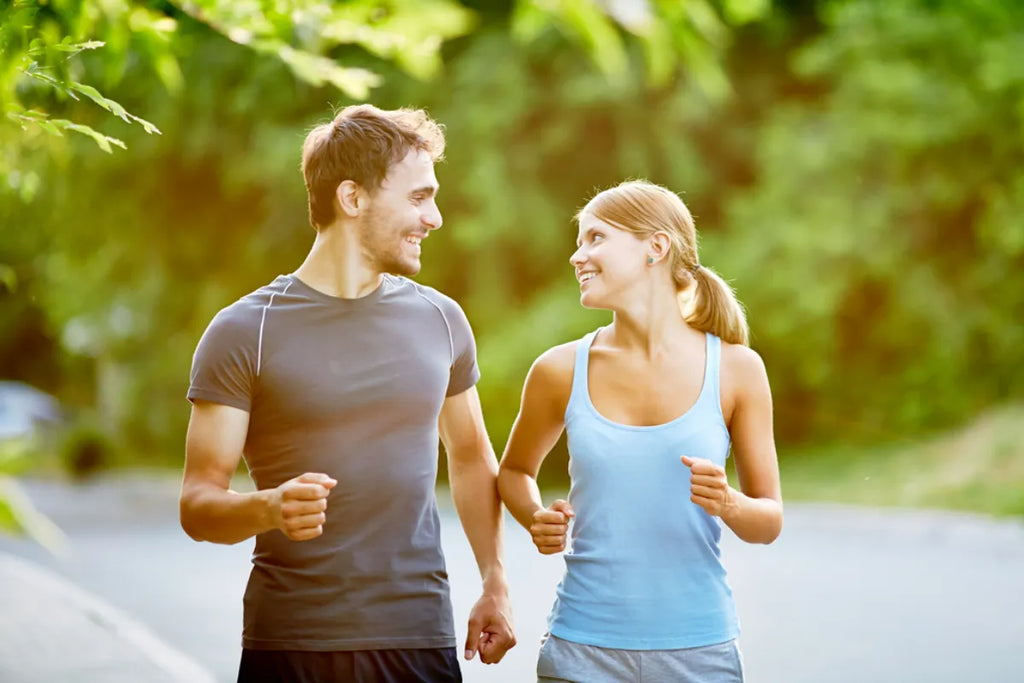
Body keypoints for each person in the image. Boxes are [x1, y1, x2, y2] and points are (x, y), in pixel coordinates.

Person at [180, 104, 515, 683]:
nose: (434, 218)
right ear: (352, 198)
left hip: (419, 640)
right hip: (293, 643)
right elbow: (197, 503)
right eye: (417, 198)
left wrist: (495, 583)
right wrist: (268, 508)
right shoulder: (244, 332)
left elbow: (468, 458)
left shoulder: (442, 320)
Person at [497, 180, 783, 683]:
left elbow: (769, 520)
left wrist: (727, 503)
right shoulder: (559, 369)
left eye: (595, 238)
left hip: (700, 654)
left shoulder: (738, 369)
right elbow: (515, 470)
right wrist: (534, 514)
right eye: (579, 241)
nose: (576, 256)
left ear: (656, 247)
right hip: (580, 651)